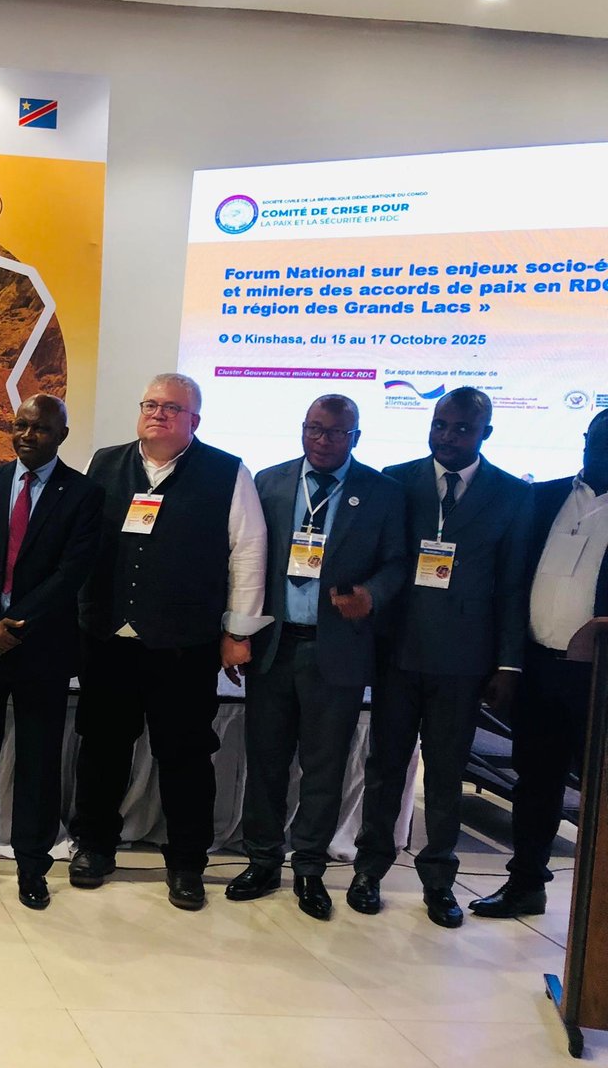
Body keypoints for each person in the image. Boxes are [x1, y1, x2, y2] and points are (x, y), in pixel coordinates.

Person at [70, 373, 267, 910]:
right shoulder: (104, 463)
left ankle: (186, 862)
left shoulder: (228, 472)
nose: (158, 414)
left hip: (184, 644)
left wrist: (238, 631)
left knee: (185, 756)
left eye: (172, 408)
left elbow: (248, 552)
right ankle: (94, 846)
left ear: (194, 420)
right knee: (102, 748)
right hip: (108, 638)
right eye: (151, 405)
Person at [351, 388, 531, 927]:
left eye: (461, 428)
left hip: (464, 659)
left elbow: (512, 585)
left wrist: (508, 663)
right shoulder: (395, 479)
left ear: (485, 433)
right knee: (385, 767)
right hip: (398, 651)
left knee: (446, 774)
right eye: (439, 425)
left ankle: (438, 881)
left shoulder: (511, 494)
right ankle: (369, 870)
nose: (447, 437)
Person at [228, 395, 408, 921]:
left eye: (334, 432)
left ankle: (308, 868)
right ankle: (262, 860)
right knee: (266, 762)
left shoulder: (382, 492)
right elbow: (244, 558)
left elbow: (398, 563)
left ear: (356, 437)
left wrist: (371, 594)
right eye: (313, 429)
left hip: (338, 649)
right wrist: (236, 629)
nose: (321, 440)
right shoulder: (270, 482)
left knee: (324, 768)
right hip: (274, 646)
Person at [0, 395, 103, 908]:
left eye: (40, 428)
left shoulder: (84, 494)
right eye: (21, 425)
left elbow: (72, 572)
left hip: (43, 649)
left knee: (38, 761)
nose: (27, 435)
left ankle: (33, 865)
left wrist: (17, 623)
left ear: (62, 435)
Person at [473, 410, 608, 919]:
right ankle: (526, 884)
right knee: (536, 783)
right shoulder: (543, 497)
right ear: (584, 439)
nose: (603, 450)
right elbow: (509, 580)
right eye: (598, 439)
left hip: (600, 679)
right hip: (538, 667)